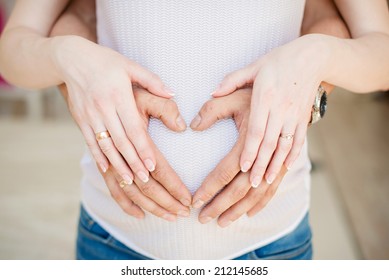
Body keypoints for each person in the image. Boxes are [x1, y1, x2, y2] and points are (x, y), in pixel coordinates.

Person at [0, 0, 388, 260]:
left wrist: (314, 58)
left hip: (269, 243)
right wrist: (67, 56)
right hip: (115, 238)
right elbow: (15, 47)